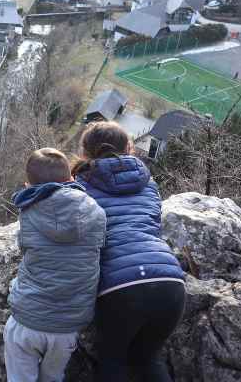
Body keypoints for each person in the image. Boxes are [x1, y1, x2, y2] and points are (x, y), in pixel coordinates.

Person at [73, 122, 186, 382]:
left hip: (121, 287)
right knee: (148, 359)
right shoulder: (149, 184)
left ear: (85, 152)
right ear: (129, 148)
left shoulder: (80, 186)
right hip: (170, 280)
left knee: (113, 361)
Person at [4, 148, 107, 382]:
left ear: (28, 185)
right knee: (52, 378)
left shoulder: (29, 212)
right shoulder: (96, 212)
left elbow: (25, 248)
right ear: (71, 178)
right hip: (68, 326)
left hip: (28, 318)